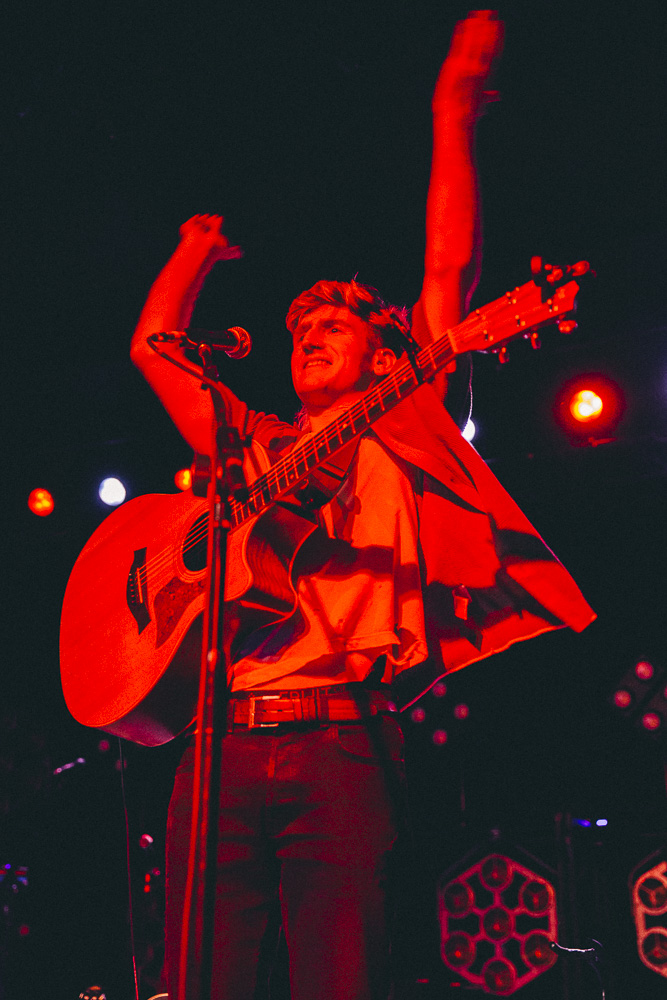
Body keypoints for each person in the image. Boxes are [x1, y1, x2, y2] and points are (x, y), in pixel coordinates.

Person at [130, 12, 594, 1000]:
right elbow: (153, 350)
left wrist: (450, 112)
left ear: (384, 353)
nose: (310, 335)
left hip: (337, 741)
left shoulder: (405, 417)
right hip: (214, 741)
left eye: (333, 323)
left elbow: (446, 268)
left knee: (340, 980)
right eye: (301, 326)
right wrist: (193, 253)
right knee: (194, 979)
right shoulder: (251, 441)